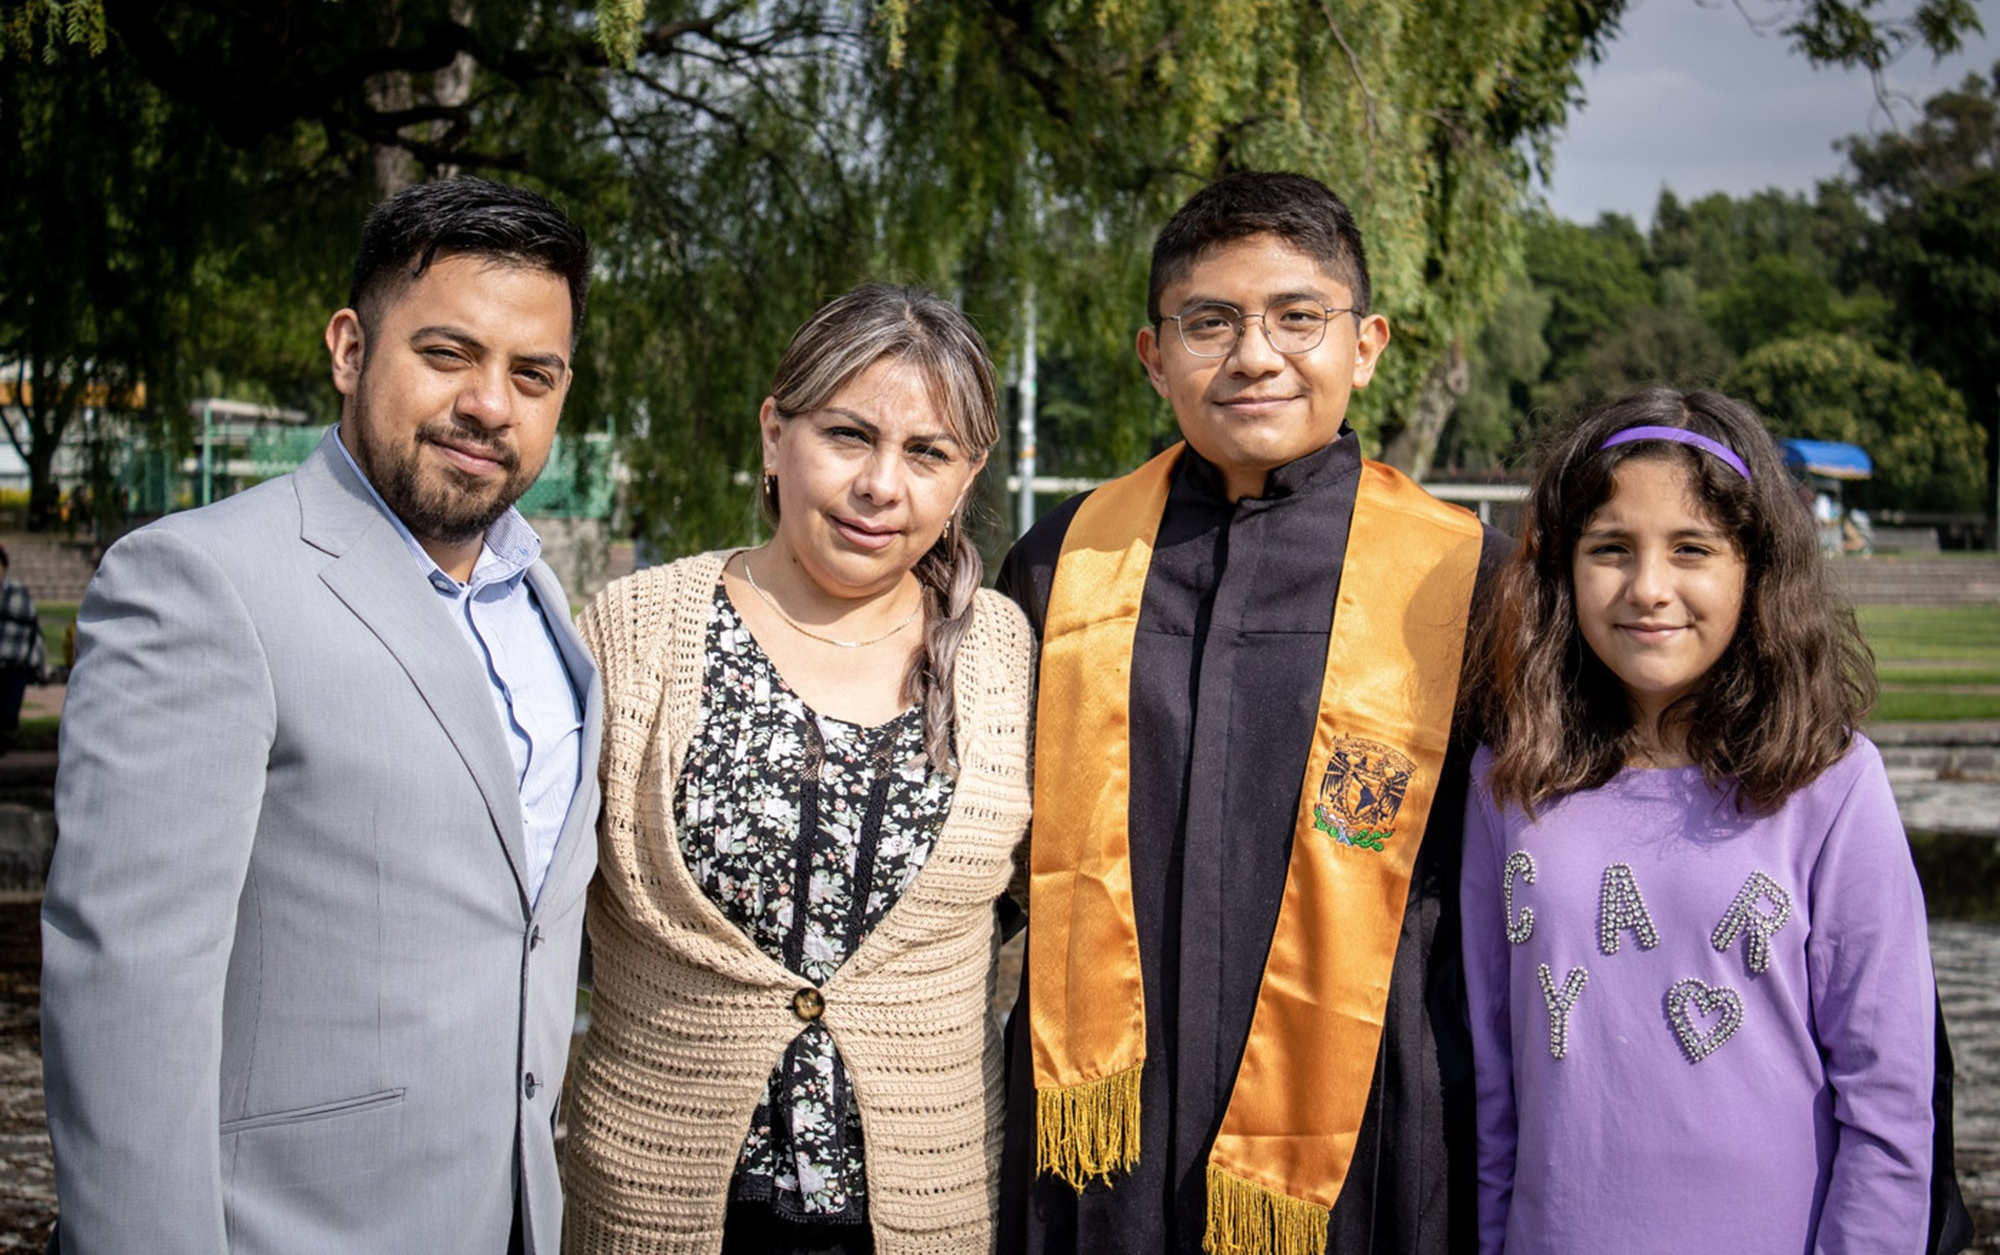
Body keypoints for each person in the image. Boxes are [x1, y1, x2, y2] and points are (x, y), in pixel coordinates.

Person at [40, 176, 602, 1253]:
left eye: (533, 373)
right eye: (447, 355)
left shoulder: (546, 608)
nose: (491, 403)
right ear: (350, 350)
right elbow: (124, 1002)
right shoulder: (199, 583)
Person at [998, 171, 1511, 1255]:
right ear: (1153, 356)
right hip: (1099, 1142)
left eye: (1296, 317)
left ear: (1365, 344)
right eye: (1209, 322)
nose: (1253, 356)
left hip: (1362, 1128)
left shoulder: (1463, 581)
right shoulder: (1062, 566)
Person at [561, 284, 1035, 1254]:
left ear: (967, 475)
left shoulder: (1003, 653)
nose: (880, 486)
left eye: (926, 453)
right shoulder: (635, 631)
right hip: (657, 1198)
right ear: (774, 434)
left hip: (927, 1207)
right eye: (847, 436)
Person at [1460, 388, 1936, 1251]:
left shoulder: (1830, 783)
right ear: (1563, 569)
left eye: (1691, 548)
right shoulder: (1510, 779)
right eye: (1611, 548)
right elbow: (1492, 1083)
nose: (1649, 588)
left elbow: (1890, 1105)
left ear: (1754, 566)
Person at [0, 545, 45, 747]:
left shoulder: (19, 593)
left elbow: (32, 626)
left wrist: (36, 662)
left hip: (15, 664)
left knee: (8, 717)